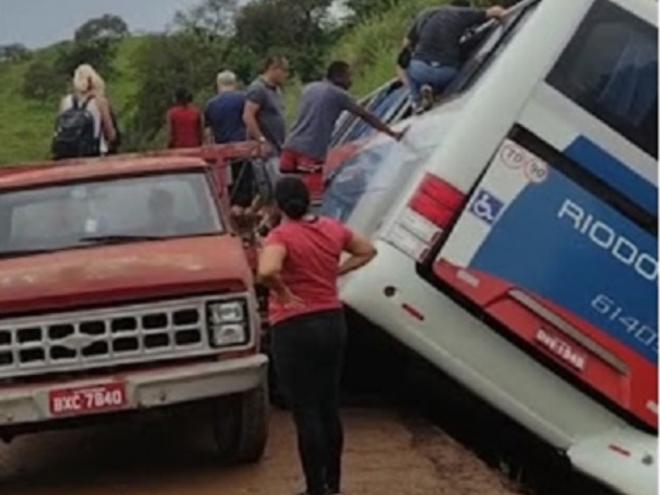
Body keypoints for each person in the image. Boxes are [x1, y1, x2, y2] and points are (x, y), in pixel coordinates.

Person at [258, 177, 377, 495]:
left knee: (305, 410)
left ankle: (315, 488)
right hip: (331, 321)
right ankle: (334, 485)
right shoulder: (333, 228)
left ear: (279, 205)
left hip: (294, 327)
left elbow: (267, 271)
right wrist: (338, 271)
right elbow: (368, 250)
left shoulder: (279, 235)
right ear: (309, 201)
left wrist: (282, 291)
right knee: (327, 406)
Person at [281, 61, 406, 194]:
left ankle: (271, 214)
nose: (351, 81)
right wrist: (392, 133)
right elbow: (365, 115)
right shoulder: (338, 95)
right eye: (349, 76)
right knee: (313, 196)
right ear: (339, 77)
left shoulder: (309, 88)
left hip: (290, 148)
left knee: (284, 193)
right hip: (310, 154)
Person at [403, 1, 506, 111]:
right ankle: (436, 90)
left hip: (421, 70)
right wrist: (508, 17)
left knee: (405, 66)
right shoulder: (462, 14)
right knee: (456, 65)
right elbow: (495, 11)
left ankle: (417, 101)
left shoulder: (424, 15)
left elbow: (405, 44)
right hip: (448, 73)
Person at [54, 64, 117, 159]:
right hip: (94, 154)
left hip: (67, 156)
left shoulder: (66, 101)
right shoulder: (99, 101)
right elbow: (111, 135)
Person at [244, 55, 289, 155]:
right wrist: (261, 140)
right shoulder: (258, 88)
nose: (286, 74)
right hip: (264, 151)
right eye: (284, 70)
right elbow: (248, 116)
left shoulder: (276, 90)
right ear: (273, 68)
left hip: (277, 147)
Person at [205, 70, 247, 144]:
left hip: (221, 147)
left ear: (218, 84)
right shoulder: (244, 99)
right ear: (235, 83)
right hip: (242, 144)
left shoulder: (211, 104)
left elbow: (208, 131)